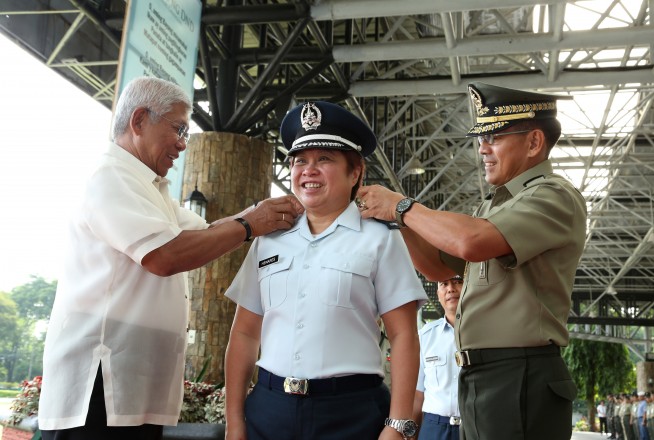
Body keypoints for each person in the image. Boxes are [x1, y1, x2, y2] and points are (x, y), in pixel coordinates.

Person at [37, 76, 303, 440]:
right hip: (99, 385)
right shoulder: (111, 178)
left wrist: (258, 215)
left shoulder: (151, 189)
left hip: (131, 383)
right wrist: (249, 224)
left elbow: (205, 231)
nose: (181, 144)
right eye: (178, 129)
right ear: (139, 120)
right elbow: (163, 256)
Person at [356, 82, 587, 440]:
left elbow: (469, 242)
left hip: (520, 375)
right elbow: (438, 268)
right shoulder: (494, 206)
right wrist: (398, 221)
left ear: (534, 142)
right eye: (482, 138)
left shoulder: (554, 195)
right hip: (485, 376)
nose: (482, 148)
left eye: (493, 136)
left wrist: (402, 206)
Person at [223, 101, 428, 440]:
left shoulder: (380, 239)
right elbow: (244, 333)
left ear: (355, 172)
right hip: (269, 411)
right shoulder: (269, 239)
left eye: (325, 160)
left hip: (352, 414)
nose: (309, 170)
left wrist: (398, 426)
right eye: (300, 161)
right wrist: (234, 422)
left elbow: (404, 335)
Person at [413, 275, 463, 440]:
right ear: (438, 293)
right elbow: (418, 394)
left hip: (475, 426)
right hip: (434, 428)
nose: (450, 289)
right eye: (444, 284)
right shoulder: (425, 337)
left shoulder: (487, 335)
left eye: (457, 282)